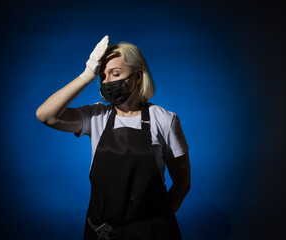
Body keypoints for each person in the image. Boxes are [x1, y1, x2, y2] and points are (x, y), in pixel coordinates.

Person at [36, 35, 191, 240]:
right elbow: (46, 115)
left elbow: (182, 184)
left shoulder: (165, 120)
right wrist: (86, 74)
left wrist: (156, 225)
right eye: (102, 76)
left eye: (115, 73)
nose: (107, 81)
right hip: (101, 234)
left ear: (138, 76)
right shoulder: (96, 116)